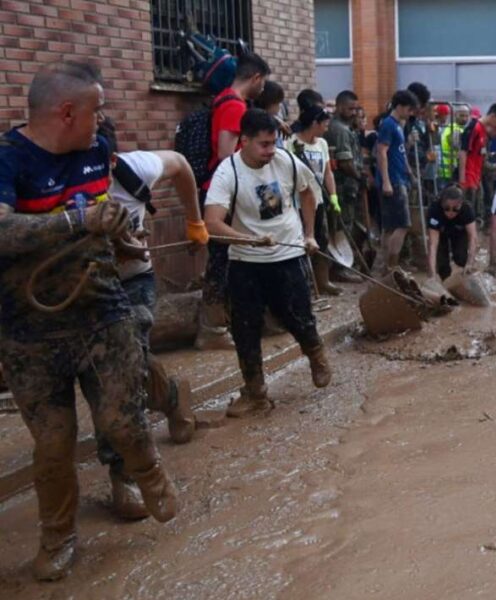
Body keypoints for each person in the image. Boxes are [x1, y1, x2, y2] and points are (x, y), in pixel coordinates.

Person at [0, 61, 178, 582]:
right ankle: (58, 537)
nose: (104, 121)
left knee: (122, 421)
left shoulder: (98, 152)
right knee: (53, 445)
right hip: (28, 331)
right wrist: (76, 221)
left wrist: (120, 234)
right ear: (67, 111)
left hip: (103, 312)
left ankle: (144, 473)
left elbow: (101, 220)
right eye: (97, 110)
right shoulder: (8, 160)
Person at [203, 109, 332, 417]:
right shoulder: (228, 172)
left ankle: (316, 355)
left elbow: (308, 193)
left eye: (273, 143)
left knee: (298, 316)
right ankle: (256, 392)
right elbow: (212, 224)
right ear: (243, 141)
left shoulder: (285, 161)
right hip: (246, 260)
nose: (270, 151)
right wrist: (248, 240)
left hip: (287, 254)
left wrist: (310, 234)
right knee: (245, 328)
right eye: (263, 144)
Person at [104, 125, 207, 455]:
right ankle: (171, 395)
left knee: (125, 362)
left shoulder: (134, 168)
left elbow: (179, 162)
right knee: (108, 368)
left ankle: (126, 467)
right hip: (83, 287)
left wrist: (195, 222)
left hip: (133, 279)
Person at [197, 52, 271, 351]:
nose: (263, 89)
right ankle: (212, 330)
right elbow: (227, 155)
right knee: (220, 262)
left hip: (228, 191)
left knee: (232, 261)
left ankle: (231, 321)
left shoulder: (230, 102)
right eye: (263, 83)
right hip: (223, 195)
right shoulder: (233, 106)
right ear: (255, 79)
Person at [288, 104, 342, 296]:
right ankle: (305, 285)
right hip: (298, 202)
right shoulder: (292, 143)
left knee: (321, 240)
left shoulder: (322, 144)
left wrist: (333, 196)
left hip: (319, 199)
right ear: (314, 123)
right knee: (302, 242)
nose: (327, 127)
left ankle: (323, 281)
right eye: (324, 123)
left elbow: (327, 172)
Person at [376, 90, 419, 273]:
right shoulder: (388, 124)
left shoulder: (397, 126)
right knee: (402, 225)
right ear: (400, 106)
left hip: (399, 177)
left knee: (391, 226)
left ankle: (385, 265)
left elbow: (398, 151)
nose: (410, 114)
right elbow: (381, 152)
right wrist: (386, 181)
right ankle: (391, 266)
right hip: (393, 180)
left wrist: (409, 172)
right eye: (409, 109)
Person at [325, 89, 366, 282]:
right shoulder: (339, 130)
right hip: (342, 186)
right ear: (340, 107)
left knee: (348, 224)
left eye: (356, 109)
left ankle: (344, 265)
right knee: (343, 226)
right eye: (350, 108)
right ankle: (339, 268)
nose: (354, 112)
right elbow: (346, 162)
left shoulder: (346, 128)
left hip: (348, 185)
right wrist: (359, 177)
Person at [459, 102, 496, 223]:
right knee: (466, 213)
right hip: (468, 178)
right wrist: (462, 179)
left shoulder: (483, 133)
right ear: (494, 115)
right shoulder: (474, 127)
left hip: (475, 178)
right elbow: (463, 152)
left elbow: (480, 156)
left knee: (473, 211)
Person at [426, 186, 478, 281]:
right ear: (441, 203)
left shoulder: (467, 209)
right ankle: (445, 281)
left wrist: (470, 263)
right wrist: (432, 274)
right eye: (446, 208)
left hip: (459, 233)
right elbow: (432, 245)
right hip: (441, 232)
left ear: (461, 205)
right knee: (442, 264)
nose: (450, 212)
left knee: (461, 258)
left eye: (455, 209)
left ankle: (465, 279)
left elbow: (473, 238)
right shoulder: (434, 210)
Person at [440, 104, 469, 183]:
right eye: (462, 115)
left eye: (466, 116)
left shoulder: (458, 128)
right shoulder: (455, 130)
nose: (464, 118)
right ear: (455, 114)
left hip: (450, 170)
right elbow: (459, 149)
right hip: (450, 172)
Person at [256, 80, 289, 144]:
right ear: (269, 102)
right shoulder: (260, 123)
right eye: (277, 103)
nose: (279, 107)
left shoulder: (277, 120)